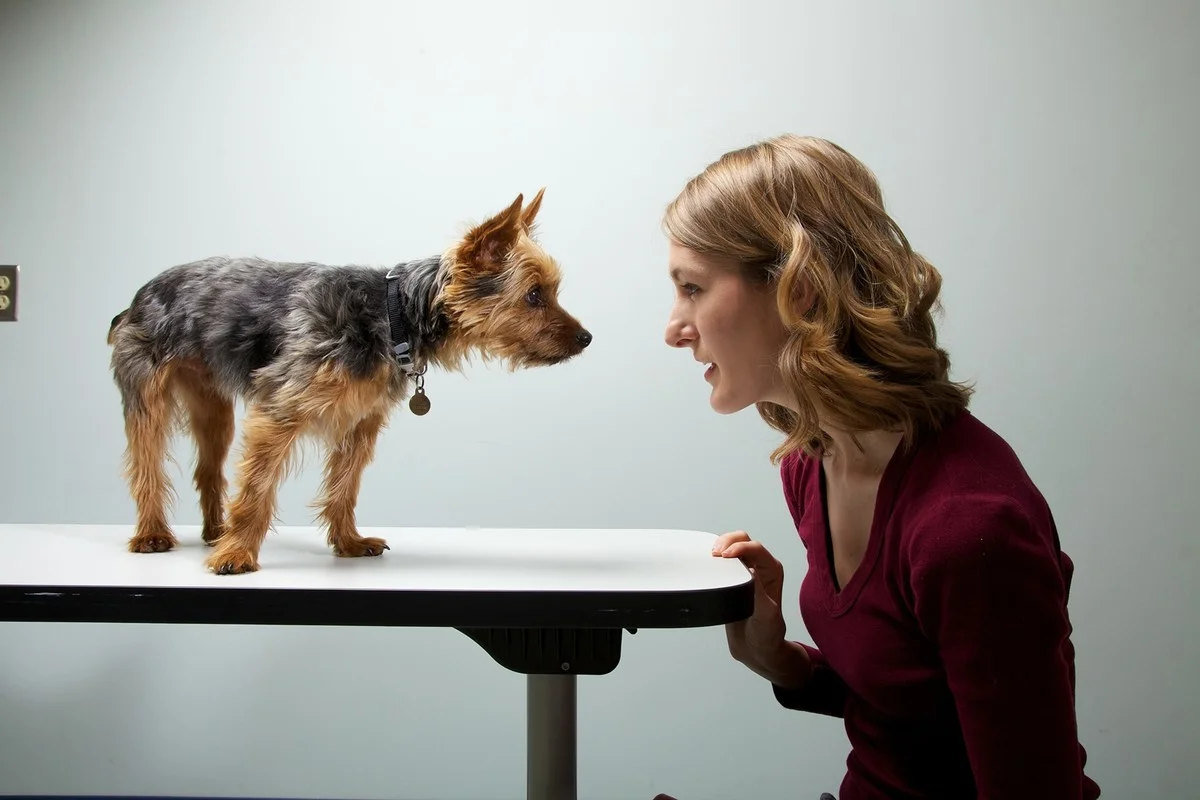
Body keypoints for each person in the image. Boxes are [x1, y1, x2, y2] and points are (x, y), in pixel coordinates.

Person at [657, 135, 1100, 799]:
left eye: (692, 288)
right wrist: (779, 661)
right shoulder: (813, 467)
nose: (674, 327)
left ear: (799, 292)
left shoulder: (969, 531)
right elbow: (916, 710)